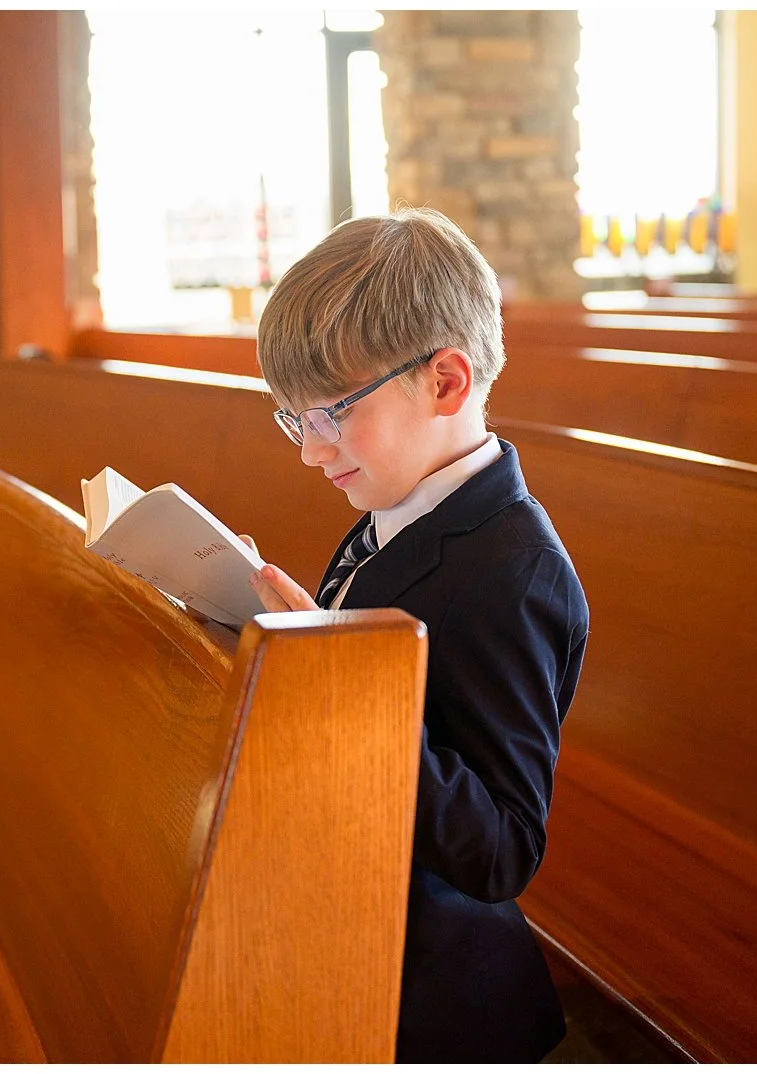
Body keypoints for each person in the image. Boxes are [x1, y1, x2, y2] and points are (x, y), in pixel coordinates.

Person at [244, 208, 589, 1062]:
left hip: (434, 998)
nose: (310, 452)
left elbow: (504, 848)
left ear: (445, 383)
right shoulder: (396, 503)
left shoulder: (517, 572)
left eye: (330, 415)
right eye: (294, 420)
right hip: (353, 915)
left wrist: (341, 678)